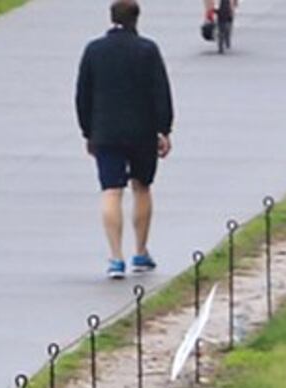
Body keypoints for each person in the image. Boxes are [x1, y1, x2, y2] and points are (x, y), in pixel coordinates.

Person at [76, 0, 174, 279]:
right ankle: (141, 252)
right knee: (142, 187)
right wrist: (164, 129)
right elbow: (160, 92)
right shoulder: (147, 50)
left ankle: (115, 257)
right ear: (136, 19)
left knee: (111, 190)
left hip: (105, 131)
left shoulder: (94, 51)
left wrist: (88, 131)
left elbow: (83, 95)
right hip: (142, 131)